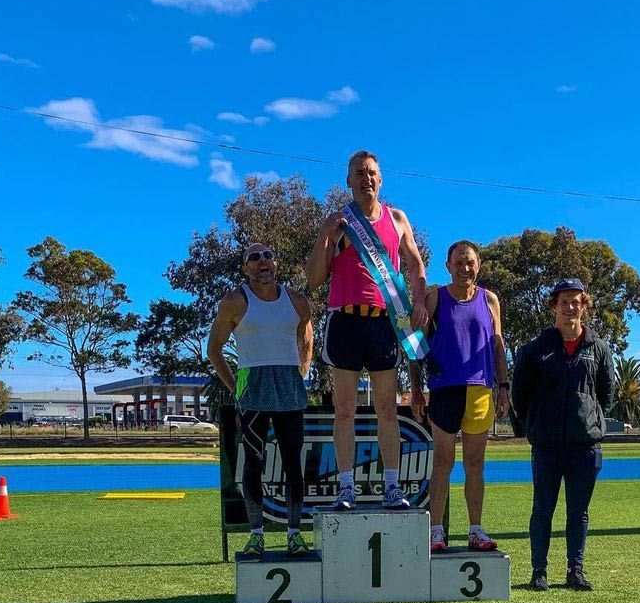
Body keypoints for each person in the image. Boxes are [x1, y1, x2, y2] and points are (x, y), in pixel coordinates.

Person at [306, 150, 429, 511]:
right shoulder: (339, 221)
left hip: (384, 323)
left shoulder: (397, 218)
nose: (366, 179)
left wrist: (419, 301)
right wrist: (324, 235)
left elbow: (417, 266)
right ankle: (346, 488)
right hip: (345, 321)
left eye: (372, 173)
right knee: (344, 410)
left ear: (381, 179)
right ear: (348, 180)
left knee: (386, 410)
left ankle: (392, 487)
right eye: (359, 173)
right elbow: (314, 279)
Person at [207, 243, 313, 556]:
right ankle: (256, 534)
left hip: (289, 387)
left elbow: (306, 336)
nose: (262, 261)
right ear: (246, 269)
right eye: (254, 258)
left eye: (267, 255)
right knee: (254, 462)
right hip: (252, 387)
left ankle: (294, 533)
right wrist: (235, 386)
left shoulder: (297, 301)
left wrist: (302, 370)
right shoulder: (234, 301)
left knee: (294, 464)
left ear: (276, 264)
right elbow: (214, 349)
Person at [511, 278, 614, 591]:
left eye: (576, 301)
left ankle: (575, 570)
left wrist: (588, 421)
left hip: (585, 446)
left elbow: (606, 394)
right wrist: (538, 424)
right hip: (547, 447)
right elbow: (520, 395)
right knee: (542, 510)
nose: (570, 307)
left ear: (584, 306)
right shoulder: (535, 349)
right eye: (563, 301)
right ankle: (538, 572)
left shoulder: (598, 348)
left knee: (578, 513)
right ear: (554, 306)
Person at [409, 240, 509, 552]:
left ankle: (476, 530)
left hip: (480, 390)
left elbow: (498, 346)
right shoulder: (435, 298)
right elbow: (415, 346)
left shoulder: (489, 300)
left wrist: (503, 388)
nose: (465, 268)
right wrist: (415, 390)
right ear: (448, 266)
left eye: (470, 263)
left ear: (478, 266)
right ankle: (436, 531)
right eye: (459, 263)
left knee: (475, 463)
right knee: (442, 461)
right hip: (443, 391)